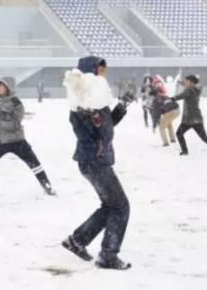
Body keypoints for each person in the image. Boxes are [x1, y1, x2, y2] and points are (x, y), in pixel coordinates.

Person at [61, 56, 132, 270]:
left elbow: (105, 128)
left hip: (92, 160)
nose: (105, 72)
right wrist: (93, 117)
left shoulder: (90, 101)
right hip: (95, 162)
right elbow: (95, 133)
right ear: (93, 71)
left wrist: (120, 107)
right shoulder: (84, 104)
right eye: (102, 69)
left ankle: (78, 240)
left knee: (111, 206)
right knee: (120, 207)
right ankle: (108, 255)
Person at [0, 64, 55, 197]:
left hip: (16, 140)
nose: (0, 89)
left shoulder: (15, 101)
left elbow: (17, 120)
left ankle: (47, 186)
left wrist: (1, 120)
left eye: (2, 86)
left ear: (7, 88)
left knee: (34, 163)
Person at [174, 75, 207, 157]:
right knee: (204, 137)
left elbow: (182, 95)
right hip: (197, 118)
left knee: (179, 133)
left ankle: (184, 151)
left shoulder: (189, 89)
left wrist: (172, 98)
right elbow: (187, 90)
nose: (185, 82)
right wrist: (181, 83)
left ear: (190, 82)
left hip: (189, 119)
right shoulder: (195, 89)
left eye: (186, 81)